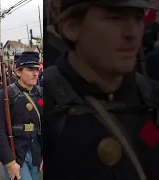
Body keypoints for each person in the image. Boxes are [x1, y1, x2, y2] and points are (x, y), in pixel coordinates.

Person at [44, 0, 159, 179]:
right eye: (115, 18)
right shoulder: (47, 103)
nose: (133, 32)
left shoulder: (152, 97)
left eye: (138, 18)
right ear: (71, 27)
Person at [0, 52, 43, 180]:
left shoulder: (41, 93)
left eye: (37, 69)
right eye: (30, 69)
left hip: (36, 150)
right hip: (16, 152)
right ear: (19, 72)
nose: (35, 73)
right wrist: (9, 162)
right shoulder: (6, 94)